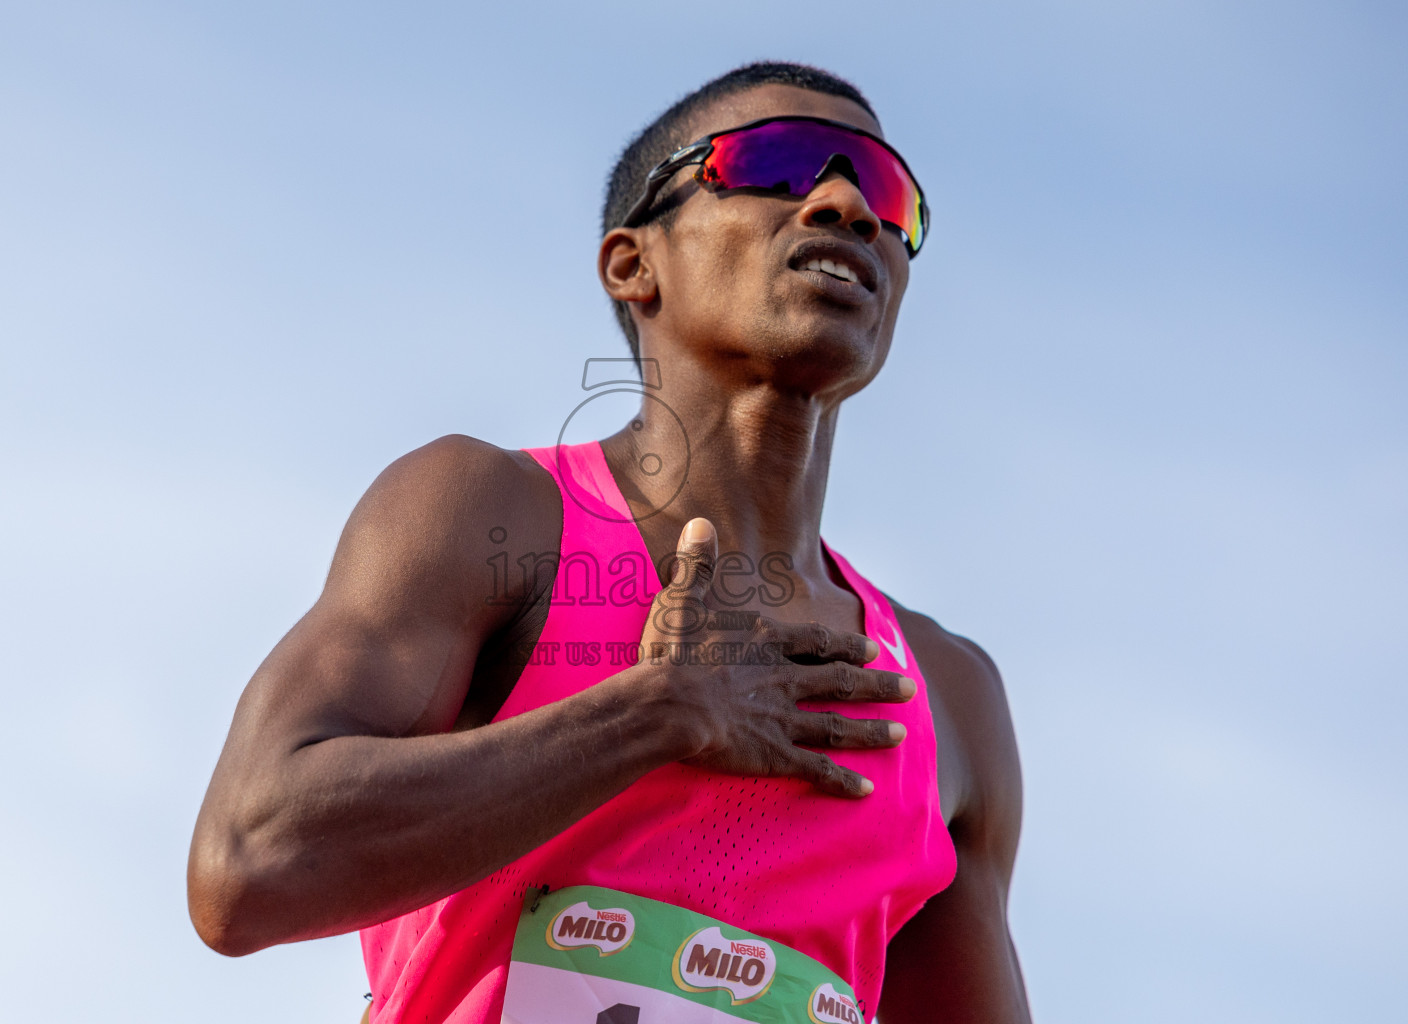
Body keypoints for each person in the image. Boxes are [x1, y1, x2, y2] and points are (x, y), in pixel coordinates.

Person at [188, 61, 1030, 1023]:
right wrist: (652, 716)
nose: (846, 205)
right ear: (635, 264)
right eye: (781, 164)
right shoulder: (492, 514)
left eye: (888, 194)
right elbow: (246, 865)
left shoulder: (948, 694)